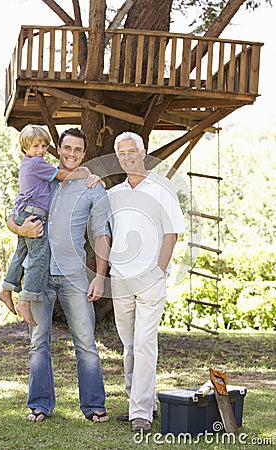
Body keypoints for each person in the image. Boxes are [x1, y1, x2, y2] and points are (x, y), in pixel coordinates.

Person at [6, 127, 111, 423]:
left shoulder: (92, 187)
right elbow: (13, 213)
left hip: (74, 276)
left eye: (78, 150)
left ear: (84, 153)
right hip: (38, 276)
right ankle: (40, 404)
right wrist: (19, 228)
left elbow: (102, 233)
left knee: (86, 342)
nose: (72, 154)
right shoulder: (43, 176)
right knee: (38, 342)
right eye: (67, 148)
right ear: (59, 149)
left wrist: (100, 275)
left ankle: (94, 406)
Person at [107, 131, 186, 433]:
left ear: (143, 152)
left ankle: (141, 413)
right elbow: (106, 232)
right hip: (121, 279)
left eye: (132, 152)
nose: (127, 158)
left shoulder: (162, 189)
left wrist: (159, 271)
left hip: (151, 279)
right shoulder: (113, 195)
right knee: (128, 345)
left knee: (143, 343)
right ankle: (139, 401)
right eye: (121, 154)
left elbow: (172, 233)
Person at [0, 124, 93, 326]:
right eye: (35, 146)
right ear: (25, 148)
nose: (40, 150)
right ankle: (26, 299)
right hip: (34, 216)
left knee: (21, 253)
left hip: (24, 213)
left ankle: (7, 289)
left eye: (43, 146)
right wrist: (83, 173)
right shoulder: (37, 164)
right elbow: (61, 175)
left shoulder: (30, 163)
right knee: (38, 258)